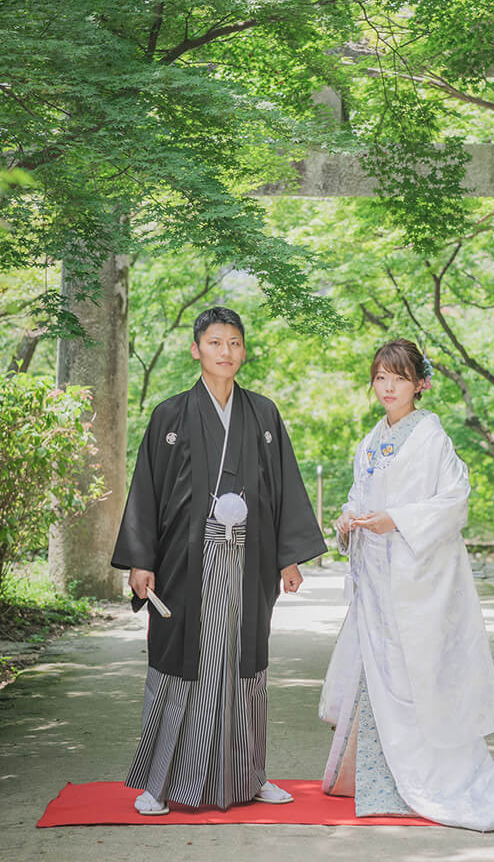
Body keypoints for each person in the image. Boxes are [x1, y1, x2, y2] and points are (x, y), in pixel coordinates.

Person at [319, 339, 494, 832]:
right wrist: (348, 520)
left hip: (419, 580)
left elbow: (454, 502)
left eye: (398, 378)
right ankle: (382, 782)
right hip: (380, 579)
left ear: (419, 384)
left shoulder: (431, 436)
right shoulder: (370, 440)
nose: (387, 387)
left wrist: (396, 520)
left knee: (419, 675)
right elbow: (360, 495)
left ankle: (428, 780)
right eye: (380, 377)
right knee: (381, 675)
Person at [112, 306, 326, 815]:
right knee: (181, 663)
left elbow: (283, 489)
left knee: (245, 662)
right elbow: (147, 490)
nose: (225, 351)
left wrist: (289, 558)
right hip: (187, 561)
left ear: (243, 351)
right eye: (214, 342)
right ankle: (159, 784)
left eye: (234, 343)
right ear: (196, 349)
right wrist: (142, 561)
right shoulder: (170, 414)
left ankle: (248, 778)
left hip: (249, 560)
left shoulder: (264, 414)